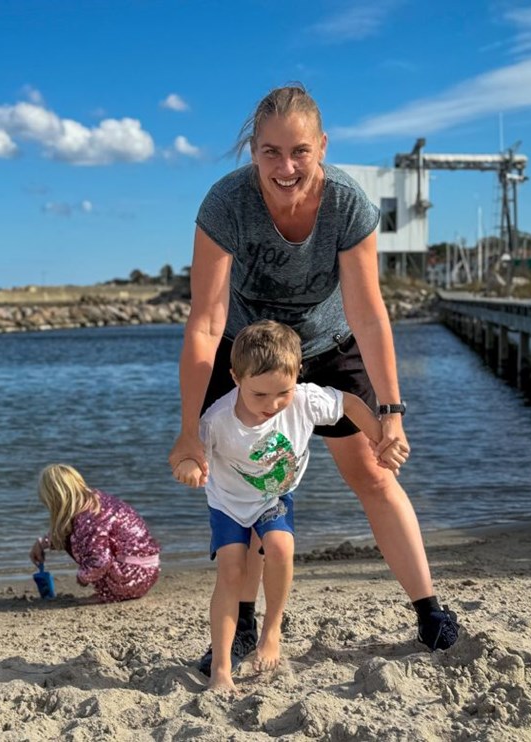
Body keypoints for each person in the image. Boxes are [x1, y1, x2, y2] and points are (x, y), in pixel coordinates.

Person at [168, 83, 460, 674]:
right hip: (249, 354)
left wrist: (392, 411)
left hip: (329, 346)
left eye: (299, 151)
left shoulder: (347, 203)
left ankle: (429, 612)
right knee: (247, 491)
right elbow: (205, 320)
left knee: (376, 474)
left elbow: (369, 311)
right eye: (271, 152)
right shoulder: (226, 205)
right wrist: (189, 431)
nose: (285, 166)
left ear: (322, 146)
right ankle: (243, 627)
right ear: (253, 150)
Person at [175, 320, 390, 691]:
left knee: (280, 547)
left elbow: (350, 403)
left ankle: (271, 630)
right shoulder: (217, 419)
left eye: (282, 393)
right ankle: (222, 669)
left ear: (298, 374)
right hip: (228, 503)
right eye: (259, 395)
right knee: (231, 572)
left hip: (272, 496)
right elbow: (187, 454)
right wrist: (189, 469)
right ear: (235, 377)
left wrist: (378, 437)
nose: (272, 406)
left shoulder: (305, 398)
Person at [29, 463, 160, 603]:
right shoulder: (95, 501)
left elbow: (100, 560)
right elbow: (68, 531)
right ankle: (114, 590)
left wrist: (83, 576)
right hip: (147, 570)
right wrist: (42, 543)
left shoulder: (88, 518)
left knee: (83, 544)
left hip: (131, 578)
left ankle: (110, 594)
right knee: (80, 538)